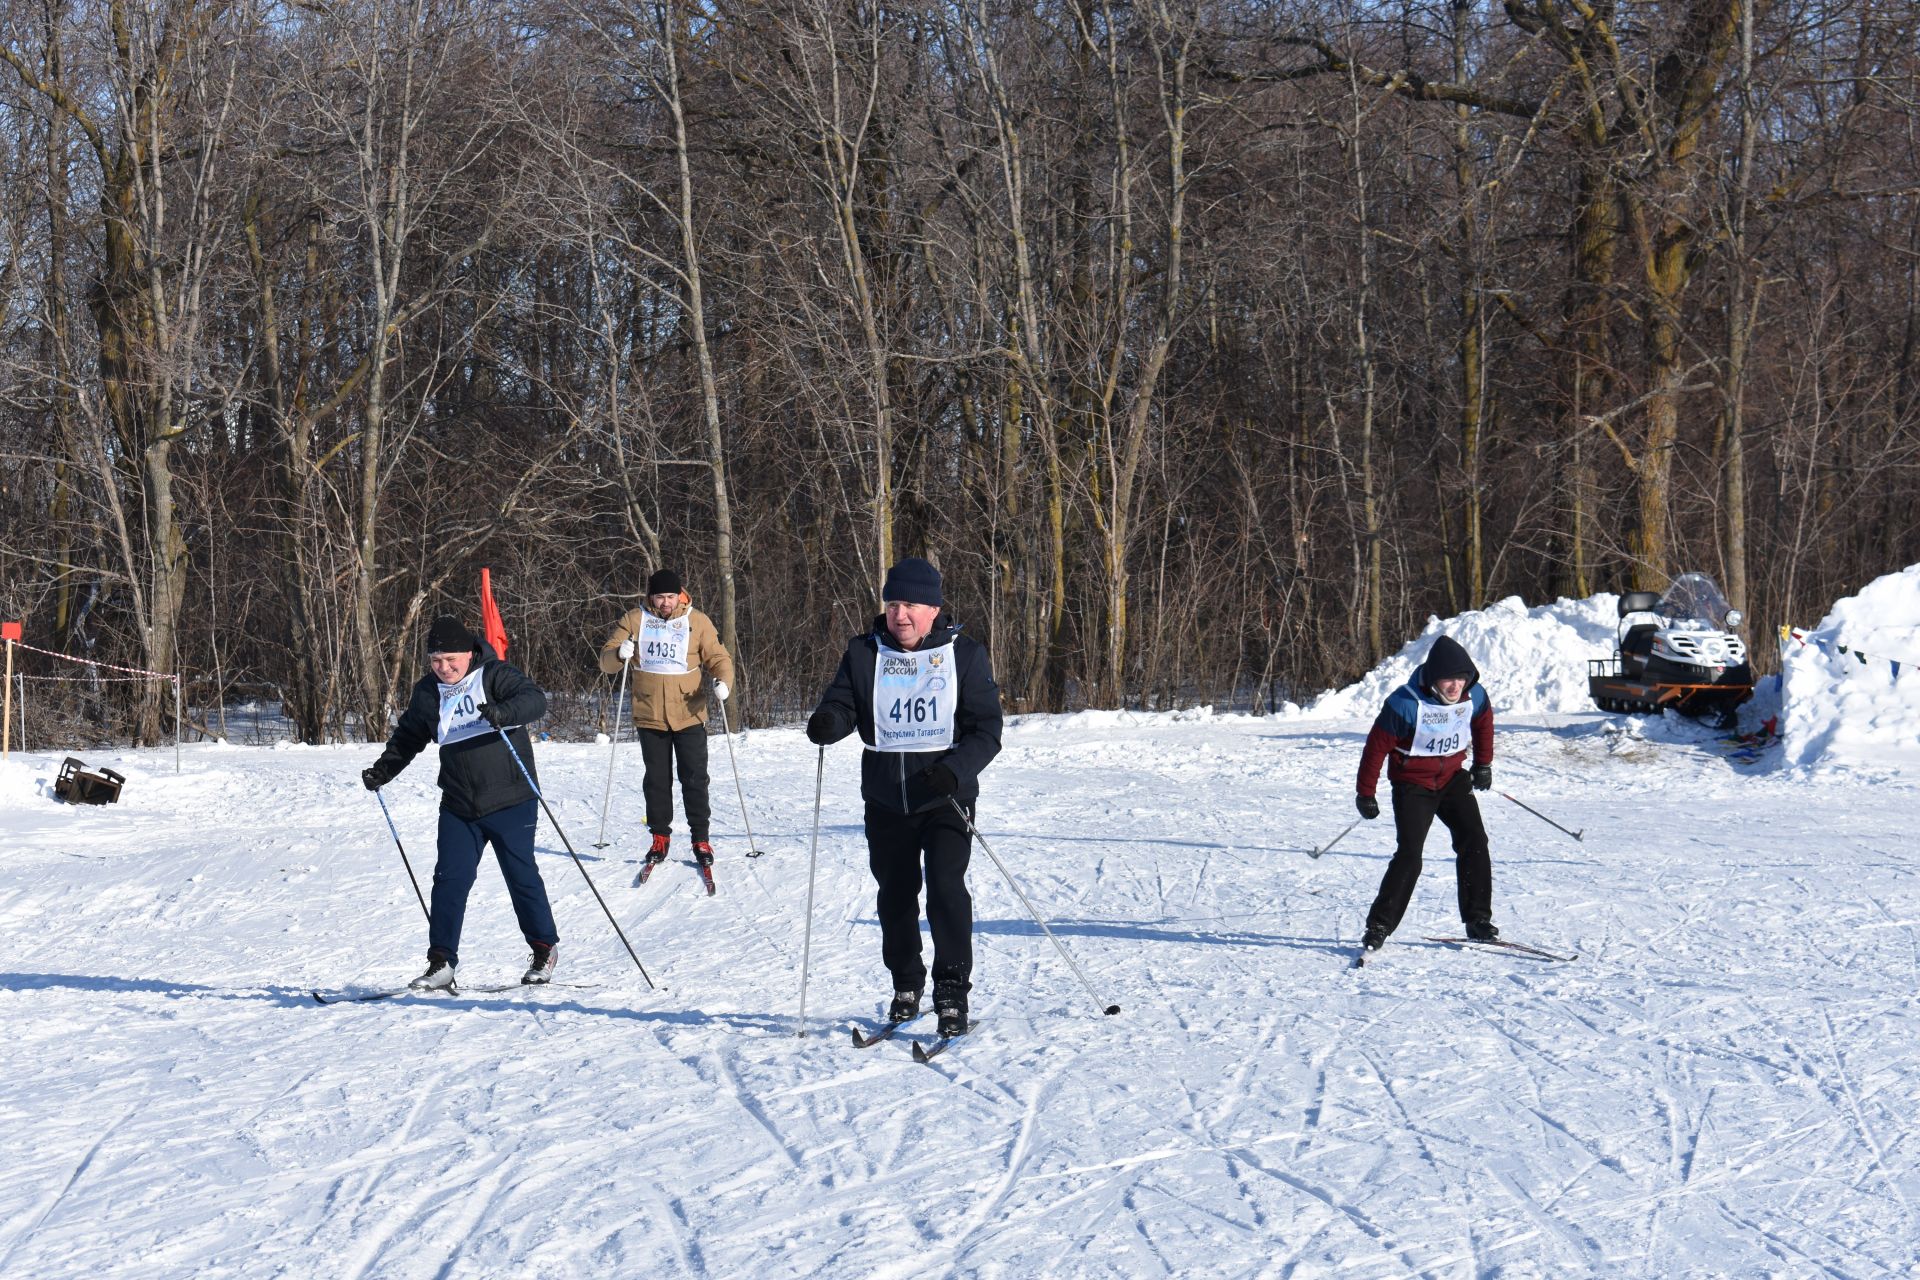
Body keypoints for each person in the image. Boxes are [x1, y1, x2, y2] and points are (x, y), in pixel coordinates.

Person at [806, 557, 1003, 1036]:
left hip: (945, 799)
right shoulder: (863, 652)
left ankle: (952, 990)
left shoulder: (964, 655)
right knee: (895, 896)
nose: (901, 614)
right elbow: (844, 701)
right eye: (893, 603)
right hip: (886, 798)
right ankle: (906, 984)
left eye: (911, 604)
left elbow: (987, 730)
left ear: (933, 609)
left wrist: (954, 772)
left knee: (945, 890)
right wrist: (831, 719)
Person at [361, 615, 559, 990]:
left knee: (521, 876)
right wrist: (384, 770)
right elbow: (408, 736)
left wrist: (503, 713)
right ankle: (441, 962)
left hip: (510, 798)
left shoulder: (494, 675)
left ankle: (544, 948)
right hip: (459, 804)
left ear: (469, 653)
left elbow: (535, 701)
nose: (445, 667)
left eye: (451, 659)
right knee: (449, 880)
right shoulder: (428, 692)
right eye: (436, 660)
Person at [1354, 633, 1497, 953]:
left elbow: (1484, 721)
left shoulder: (1473, 696)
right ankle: (1379, 925)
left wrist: (1483, 764)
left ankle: (1478, 920)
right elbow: (1375, 749)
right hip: (1412, 785)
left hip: (1452, 780)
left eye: (1461, 679)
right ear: (1433, 679)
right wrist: (1366, 792)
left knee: (1474, 839)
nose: (1455, 687)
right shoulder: (1404, 704)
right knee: (1410, 855)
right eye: (1448, 680)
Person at [599, 570, 736, 873]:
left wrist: (723, 681)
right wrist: (619, 655)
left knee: (695, 779)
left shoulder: (696, 620)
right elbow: (606, 661)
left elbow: (718, 656)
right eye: (660, 597)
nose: (665, 603)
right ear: (651, 597)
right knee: (657, 781)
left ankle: (701, 839)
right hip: (650, 716)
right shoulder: (635, 620)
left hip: (689, 713)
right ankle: (660, 837)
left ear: (679, 595)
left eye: (670, 596)